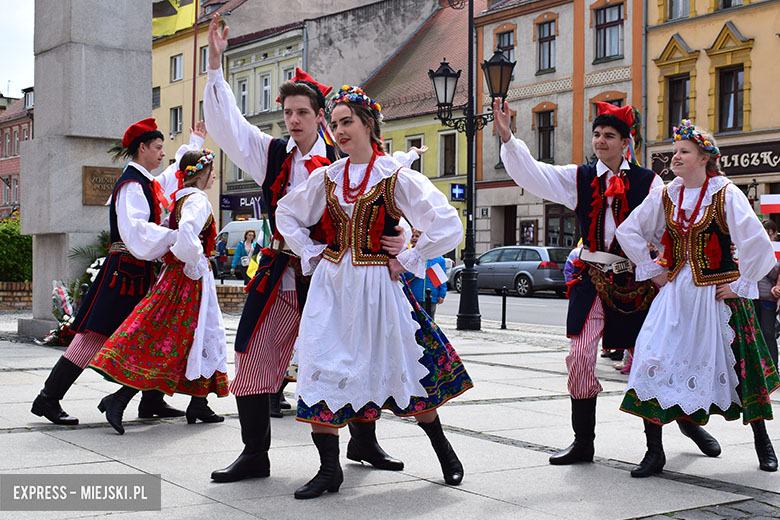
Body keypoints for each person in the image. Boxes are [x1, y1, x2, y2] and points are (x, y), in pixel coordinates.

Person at [203, 14, 405, 483]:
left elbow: (392, 198)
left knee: (349, 355)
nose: (292, 120)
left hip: (334, 273)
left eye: (302, 113)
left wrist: (401, 238)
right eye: (288, 112)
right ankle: (255, 453)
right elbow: (230, 125)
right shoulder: (271, 153)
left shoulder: (343, 157)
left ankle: (364, 442)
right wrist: (215, 63)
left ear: (320, 118)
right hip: (279, 269)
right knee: (251, 351)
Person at [493, 100, 722, 466]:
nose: (600, 141)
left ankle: (678, 429)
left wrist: (670, 270)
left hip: (637, 282)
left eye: (609, 136)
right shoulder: (579, 177)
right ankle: (583, 442)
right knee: (580, 356)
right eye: (597, 134)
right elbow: (535, 173)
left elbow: (667, 230)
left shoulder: (649, 182)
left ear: (625, 143)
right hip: (591, 278)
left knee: (651, 360)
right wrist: (508, 138)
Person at [276, 85, 472, 500]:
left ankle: (443, 450)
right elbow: (286, 212)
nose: (339, 131)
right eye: (334, 124)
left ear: (368, 124)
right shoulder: (327, 177)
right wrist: (310, 251)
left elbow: (447, 224)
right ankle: (329, 470)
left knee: (404, 367)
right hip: (331, 289)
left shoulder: (394, 176)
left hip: (378, 290)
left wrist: (410, 256)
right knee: (322, 367)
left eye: (346, 122)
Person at [616, 120, 780, 476]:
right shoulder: (666, 194)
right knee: (651, 362)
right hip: (676, 294)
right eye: (674, 151)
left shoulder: (725, 193)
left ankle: (762, 441)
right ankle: (655, 451)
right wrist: (652, 269)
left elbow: (757, 242)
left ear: (704, 158)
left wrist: (741, 284)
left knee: (743, 369)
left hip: (718, 295)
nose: (675, 157)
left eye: (684, 152)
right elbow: (629, 230)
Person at [30, 119, 207, 426]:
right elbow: (136, 230)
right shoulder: (132, 186)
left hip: (134, 271)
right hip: (124, 274)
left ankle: (152, 400)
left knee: (153, 333)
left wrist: (194, 145)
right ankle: (48, 397)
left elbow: (173, 177)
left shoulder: (144, 182)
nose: (162, 153)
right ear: (142, 148)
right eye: (158, 147)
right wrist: (175, 236)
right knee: (95, 336)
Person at [90, 148, 229, 434]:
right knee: (175, 338)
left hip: (179, 276)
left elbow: (171, 233)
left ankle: (198, 403)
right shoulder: (197, 200)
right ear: (202, 174)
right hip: (188, 280)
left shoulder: (180, 199)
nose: (214, 176)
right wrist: (194, 260)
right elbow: (187, 235)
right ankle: (120, 399)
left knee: (195, 336)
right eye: (211, 171)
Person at [403, 229, 447, 318]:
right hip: (415, 294)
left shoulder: (437, 258)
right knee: (416, 318)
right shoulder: (411, 255)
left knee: (430, 318)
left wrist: (442, 294)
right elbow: (406, 273)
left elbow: (441, 280)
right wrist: (413, 272)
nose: (414, 238)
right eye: (412, 236)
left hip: (432, 295)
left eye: (417, 236)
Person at [754, 220, 780, 367]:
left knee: (768, 332)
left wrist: (765, 259)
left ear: (775, 234)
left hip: (769, 297)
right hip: (754, 295)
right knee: (755, 333)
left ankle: (773, 367)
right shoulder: (756, 248)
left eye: (768, 233)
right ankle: (761, 367)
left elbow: (774, 274)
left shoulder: (775, 249)